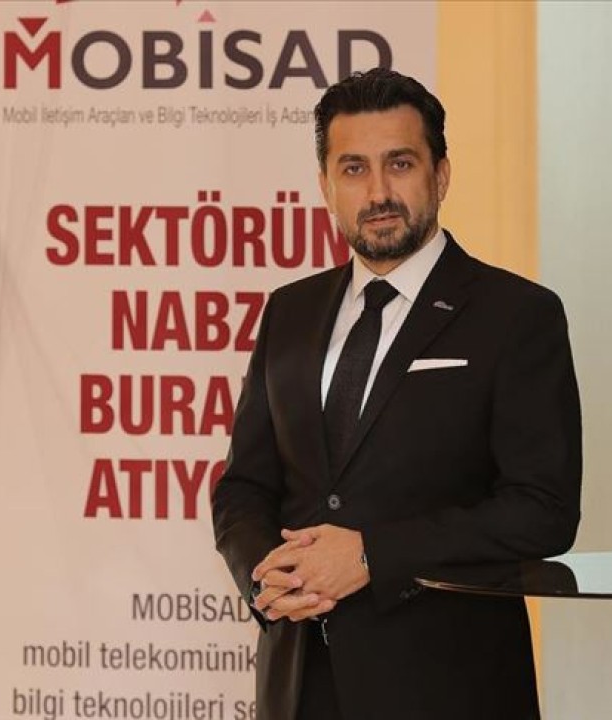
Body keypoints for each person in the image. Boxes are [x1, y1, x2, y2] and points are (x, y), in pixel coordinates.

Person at [211, 67, 582, 720]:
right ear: (326, 186)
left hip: (451, 690)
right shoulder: (289, 312)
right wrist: (267, 577)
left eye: (400, 164)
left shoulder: (517, 314)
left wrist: (371, 554)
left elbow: (543, 510)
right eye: (353, 169)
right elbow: (244, 487)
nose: (378, 191)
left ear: (441, 175)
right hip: (298, 685)